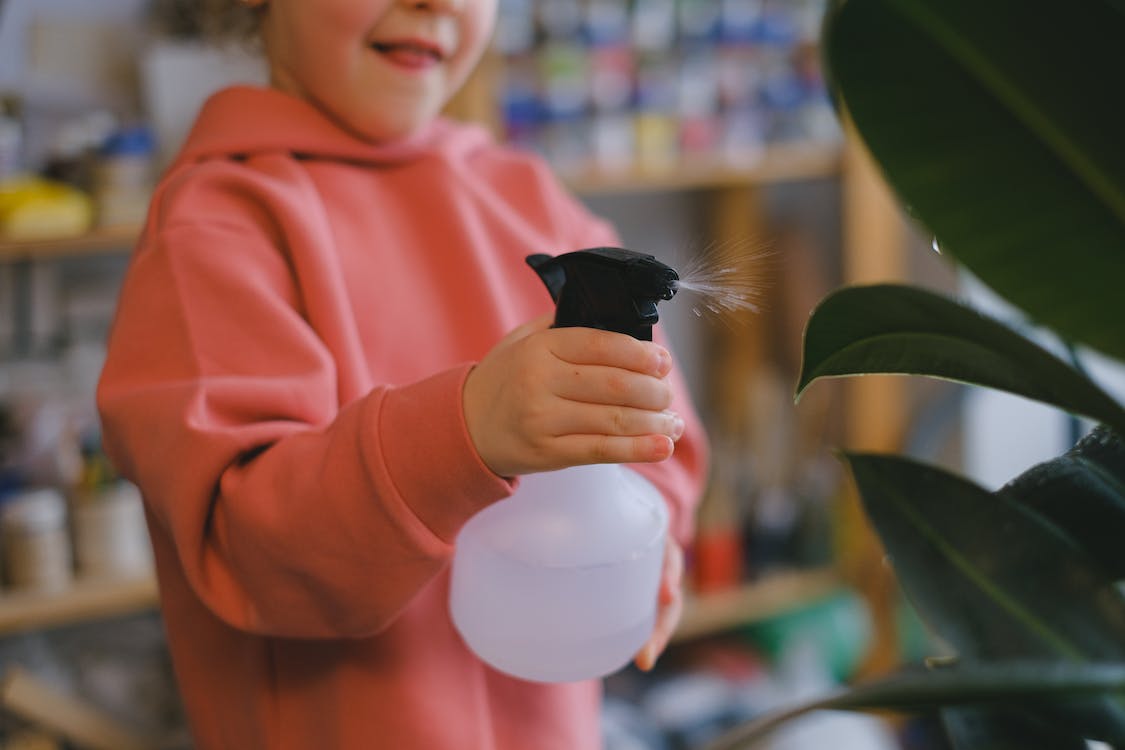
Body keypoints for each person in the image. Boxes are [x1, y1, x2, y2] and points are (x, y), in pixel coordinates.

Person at [97, 0, 708, 747]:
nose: (438, 2)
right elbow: (245, 549)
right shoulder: (218, 225)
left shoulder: (530, 198)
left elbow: (658, 429)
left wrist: (651, 528)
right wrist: (462, 435)